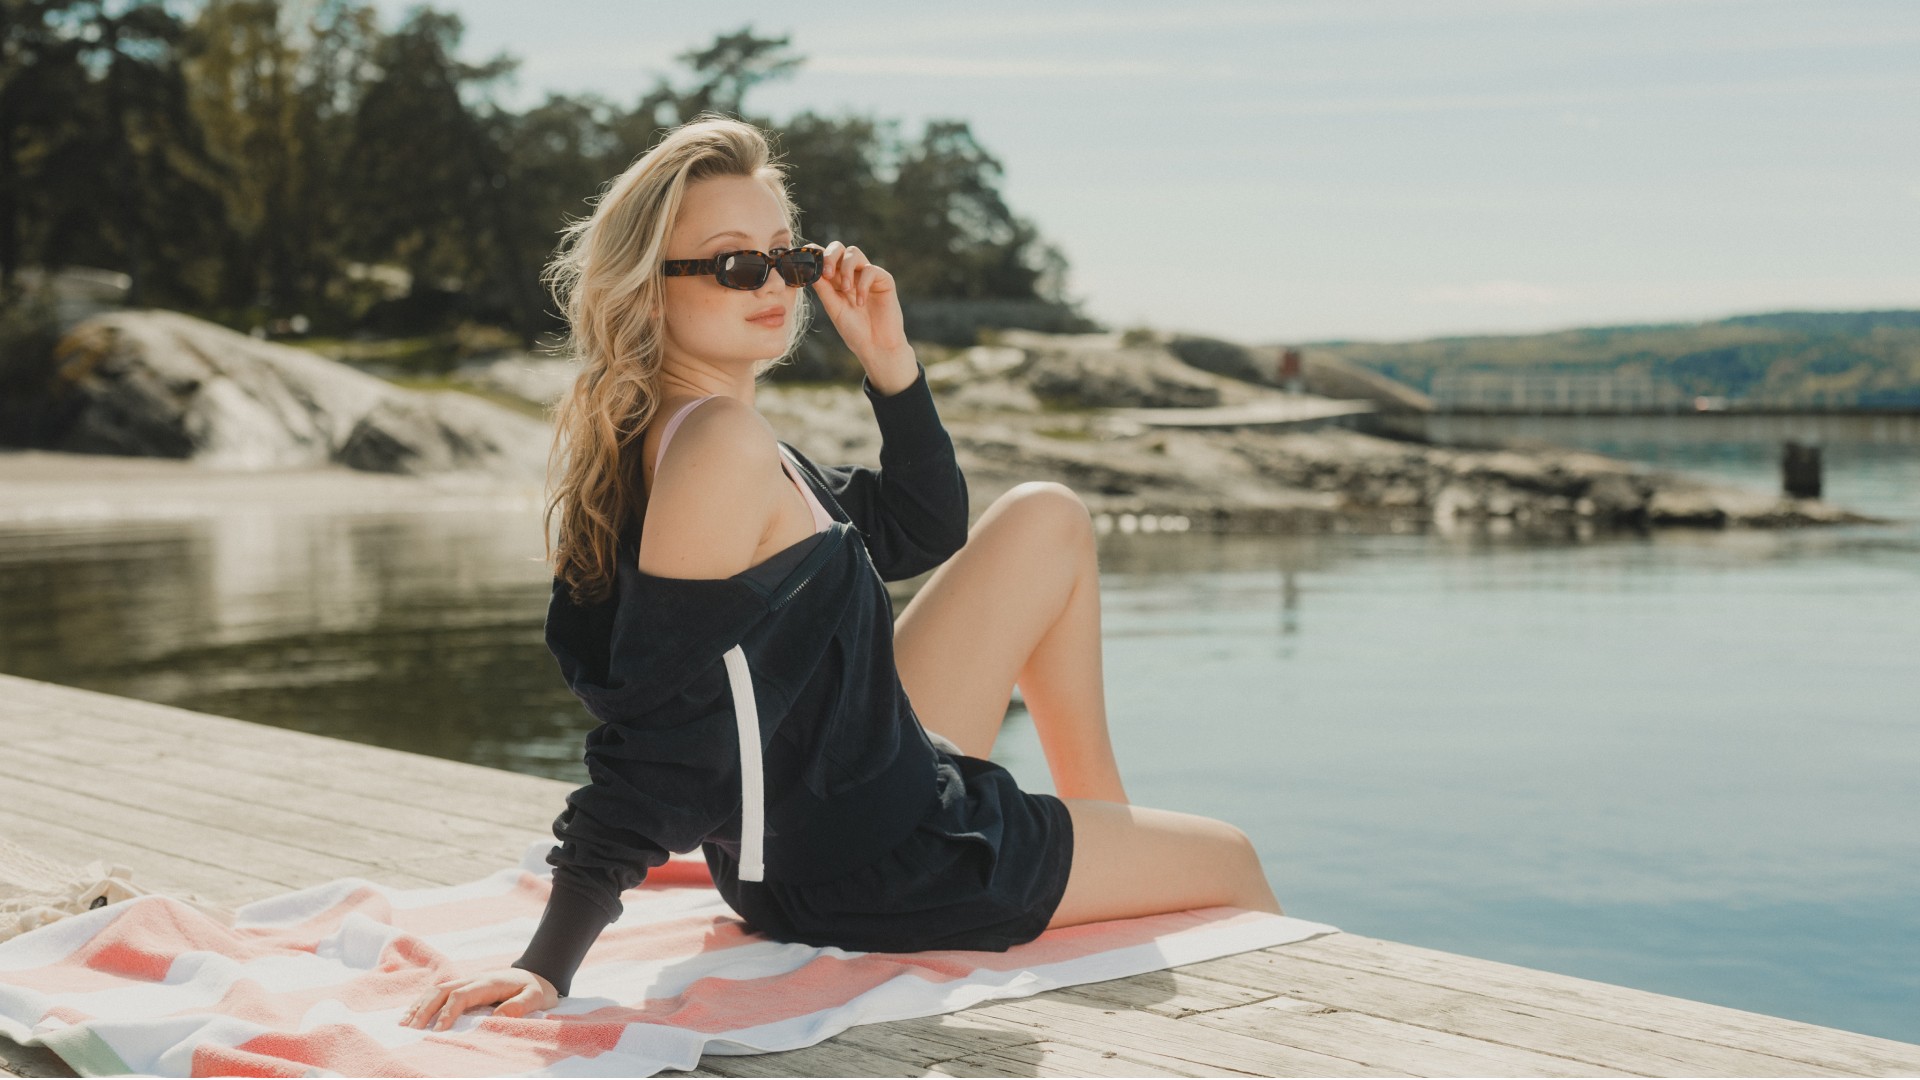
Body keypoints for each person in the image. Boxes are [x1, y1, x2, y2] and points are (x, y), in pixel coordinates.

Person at [403, 114, 1281, 1031]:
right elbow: (664, 734)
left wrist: (890, 365)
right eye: (736, 263)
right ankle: (1128, 878)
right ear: (648, 291)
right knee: (1232, 859)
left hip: (850, 801)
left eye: (789, 258)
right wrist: (549, 962)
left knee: (1045, 517)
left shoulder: (715, 435)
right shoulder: (717, 445)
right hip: (877, 867)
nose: (775, 283)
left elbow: (921, 527)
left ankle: (1105, 837)